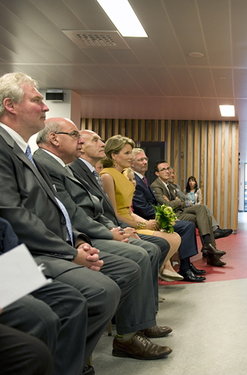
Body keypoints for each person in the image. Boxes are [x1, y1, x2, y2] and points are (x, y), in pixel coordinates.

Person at [0, 72, 170, 363]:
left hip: (42, 246)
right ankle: (89, 355)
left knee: (83, 296)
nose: (46, 106)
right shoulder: (17, 151)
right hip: (22, 254)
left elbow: (58, 211)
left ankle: (80, 359)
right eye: (37, 100)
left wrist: (78, 241)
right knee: (93, 292)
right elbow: (13, 215)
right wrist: (70, 251)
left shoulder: (25, 151)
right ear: (10, 105)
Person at [34, 118, 173, 336]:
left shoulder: (64, 166)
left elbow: (96, 210)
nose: (80, 141)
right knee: (139, 255)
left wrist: (109, 230)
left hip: (82, 235)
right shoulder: (48, 164)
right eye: (75, 135)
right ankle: (132, 329)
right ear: (54, 138)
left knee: (154, 247)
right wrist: (96, 237)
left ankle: (141, 319)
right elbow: (72, 213)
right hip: (63, 243)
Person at [0, 216, 88, 375]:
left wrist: (79, 243)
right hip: (38, 252)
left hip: (8, 265)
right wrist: (71, 253)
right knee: (40, 316)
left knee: (71, 301)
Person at [100, 135, 183, 281]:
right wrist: (142, 224)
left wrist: (147, 223)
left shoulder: (123, 174)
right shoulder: (107, 176)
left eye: (131, 153)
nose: (131, 157)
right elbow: (113, 214)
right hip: (122, 225)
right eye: (127, 153)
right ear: (114, 155)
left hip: (130, 219)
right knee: (171, 239)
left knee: (174, 236)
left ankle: (157, 273)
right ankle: (157, 273)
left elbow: (128, 210)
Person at [131, 148, 206, 281]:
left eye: (145, 159)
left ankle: (187, 264)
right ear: (131, 163)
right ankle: (185, 267)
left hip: (157, 214)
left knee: (194, 218)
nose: (144, 162)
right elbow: (142, 208)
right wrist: (162, 216)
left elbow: (182, 200)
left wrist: (172, 205)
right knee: (187, 226)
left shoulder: (143, 179)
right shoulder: (134, 180)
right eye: (140, 160)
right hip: (146, 220)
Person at [151, 161, 227, 266]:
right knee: (205, 218)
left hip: (179, 211)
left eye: (168, 168)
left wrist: (177, 202)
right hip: (172, 216)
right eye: (163, 169)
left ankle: (208, 247)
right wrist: (177, 201)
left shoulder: (171, 185)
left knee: (201, 208)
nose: (167, 171)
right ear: (157, 173)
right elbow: (166, 205)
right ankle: (210, 251)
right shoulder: (156, 186)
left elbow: (184, 200)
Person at [171, 168, 232, 239]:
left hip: (193, 206)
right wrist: (179, 201)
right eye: (190, 181)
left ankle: (214, 232)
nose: (173, 175)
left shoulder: (178, 186)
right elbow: (182, 200)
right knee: (202, 211)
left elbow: (185, 199)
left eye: (173, 173)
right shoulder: (185, 190)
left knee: (204, 209)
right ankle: (214, 231)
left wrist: (182, 201)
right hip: (184, 208)